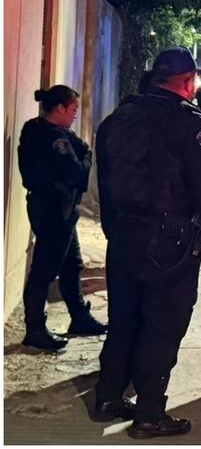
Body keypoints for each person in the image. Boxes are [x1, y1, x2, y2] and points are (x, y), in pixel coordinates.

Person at [93, 48, 201, 439]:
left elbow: (104, 180)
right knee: (163, 326)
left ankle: (108, 398)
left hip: (124, 235)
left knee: (123, 321)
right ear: (187, 82)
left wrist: (114, 230)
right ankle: (149, 415)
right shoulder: (188, 123)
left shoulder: (118, 118)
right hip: (170, 242)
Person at [17, 85, 106, 351]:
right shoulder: (56, 139)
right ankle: (35, 329)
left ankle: (79, 316)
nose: (75, 114)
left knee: (71, 264)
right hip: (55, 210)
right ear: (60, 108)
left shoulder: (34, 129)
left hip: (56, 208)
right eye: (73, 109)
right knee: (45, 269)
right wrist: (87, 156)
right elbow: (78, 172)